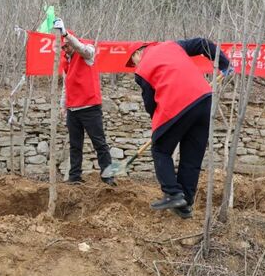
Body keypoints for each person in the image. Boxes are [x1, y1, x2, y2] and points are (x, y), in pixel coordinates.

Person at [126, 37, 231, 218]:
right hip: (204, 100)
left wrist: (159, 130)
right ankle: (185, 203)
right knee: (192, 155)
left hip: (176, 105)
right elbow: (201, 43)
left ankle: (172, 193)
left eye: (132, 61)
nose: (134, 65)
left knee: (160, 149)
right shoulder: (172, 45)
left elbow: (150, 104)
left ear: (137, 53)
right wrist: (224, 64)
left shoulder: (142, 70)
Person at [54, 18, 116, 186]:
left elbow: (82, 49)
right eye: (63, 47)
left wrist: (66, 34)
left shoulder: (88, 53)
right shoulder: (66, 62)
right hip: (73, 110)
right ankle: (75, 177)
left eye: (67, 46)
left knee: (99, 143)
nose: (65, 49)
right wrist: (63, 106)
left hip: (90, 107)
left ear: (73, 43)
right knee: (75, 145)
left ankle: (108, 177)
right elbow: (66, 85)